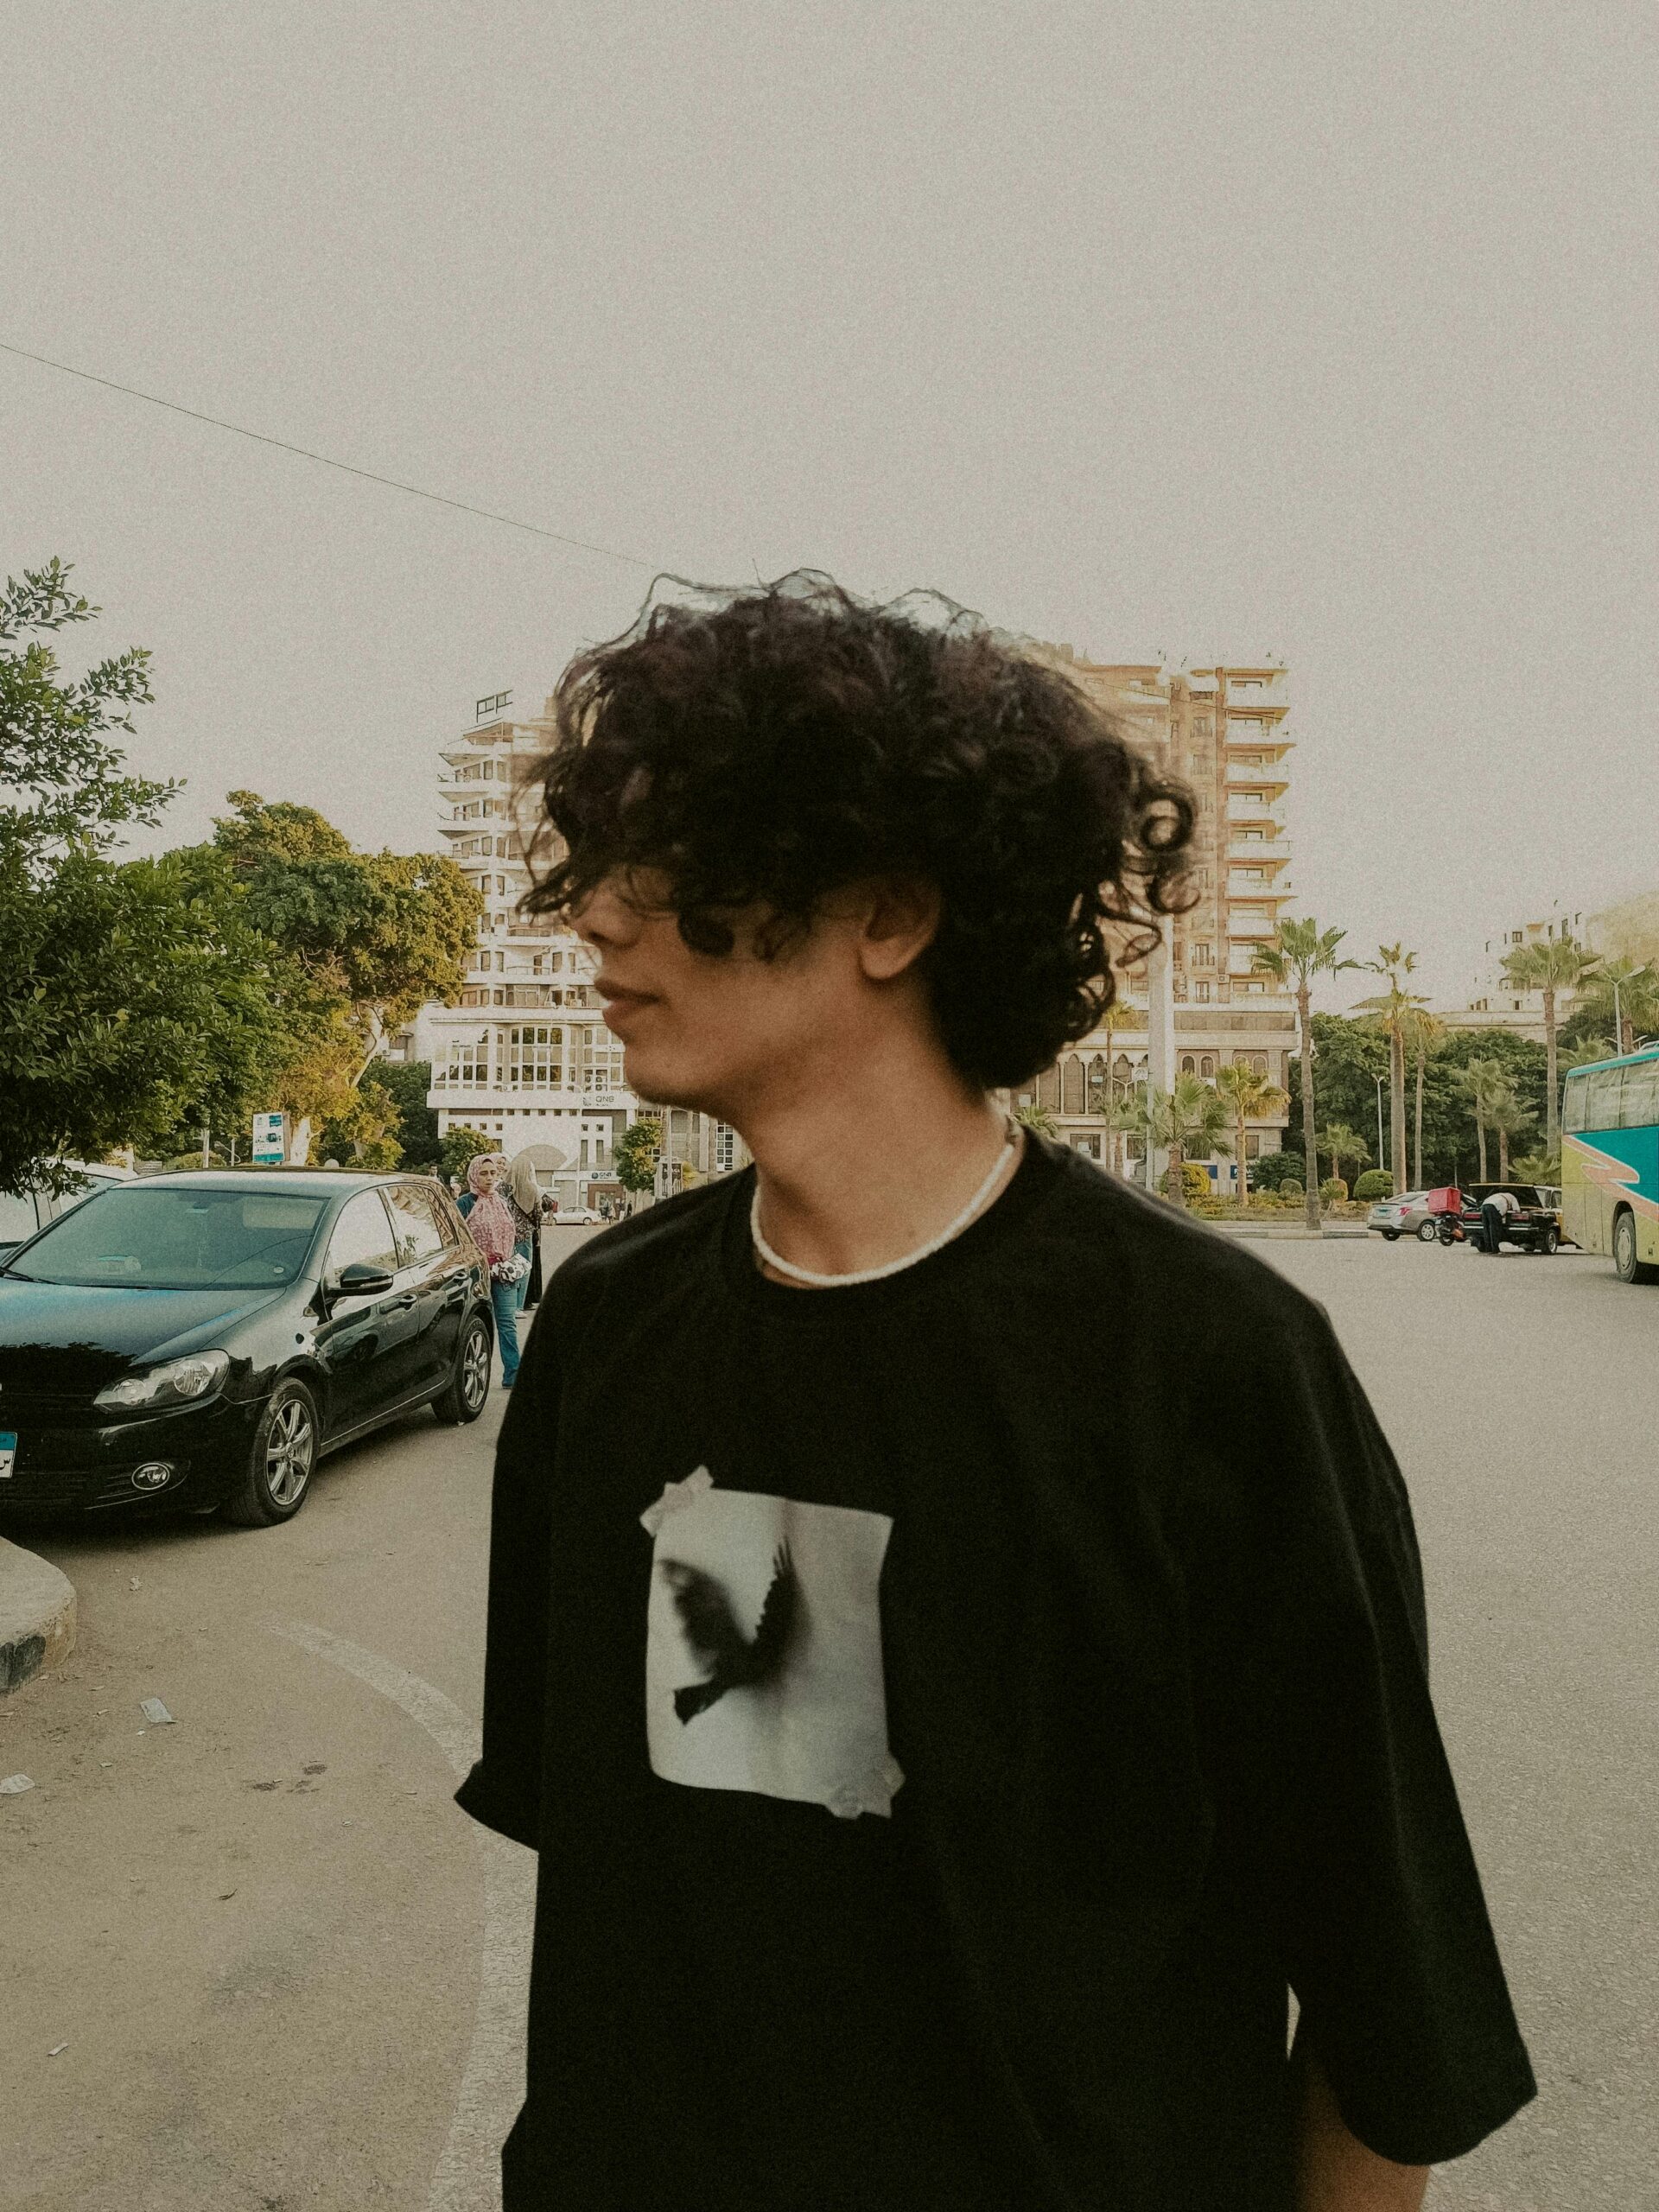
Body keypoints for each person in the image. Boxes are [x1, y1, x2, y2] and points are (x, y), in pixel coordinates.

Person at [456, 575, 1534, 2211]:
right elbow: (651, 1859)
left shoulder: (1210, 1366)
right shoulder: (608, 1324)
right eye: (594, 859)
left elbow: (1385, 2000)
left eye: (669, 860)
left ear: (891, 914)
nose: (596, 915)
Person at [455, 1153, 525, 1388]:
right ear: (474, 1175)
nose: (489, 1178)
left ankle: (513, 1376)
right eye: (483, 1173)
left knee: (507, 1324)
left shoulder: (501, 1202)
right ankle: (471, 1375)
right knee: (477, 1327)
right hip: (477, 1274)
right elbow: (455, 1238)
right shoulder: (465, 1203)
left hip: (503, 1272)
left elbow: (511, 1234)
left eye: (493, 1173)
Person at [505, 1152, 553, 1312]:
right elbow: (538, 1214)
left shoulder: (503, 1188)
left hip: (505, 1235)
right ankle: (518, 1306)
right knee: (524, 1269)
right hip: (525, 1235)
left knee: (506, 1269)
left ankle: (507, 1304)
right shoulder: (533, 1189)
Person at [1479, 1185, 1521, 1255]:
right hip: (1494, 1207)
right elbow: (1517, 1210)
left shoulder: (1497, 1195)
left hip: (1484, 1206)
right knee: (1494, 1229)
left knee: (1486, 1228)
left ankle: (1488, 1249)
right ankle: (1495, 1250)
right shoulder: (1513, 1197)